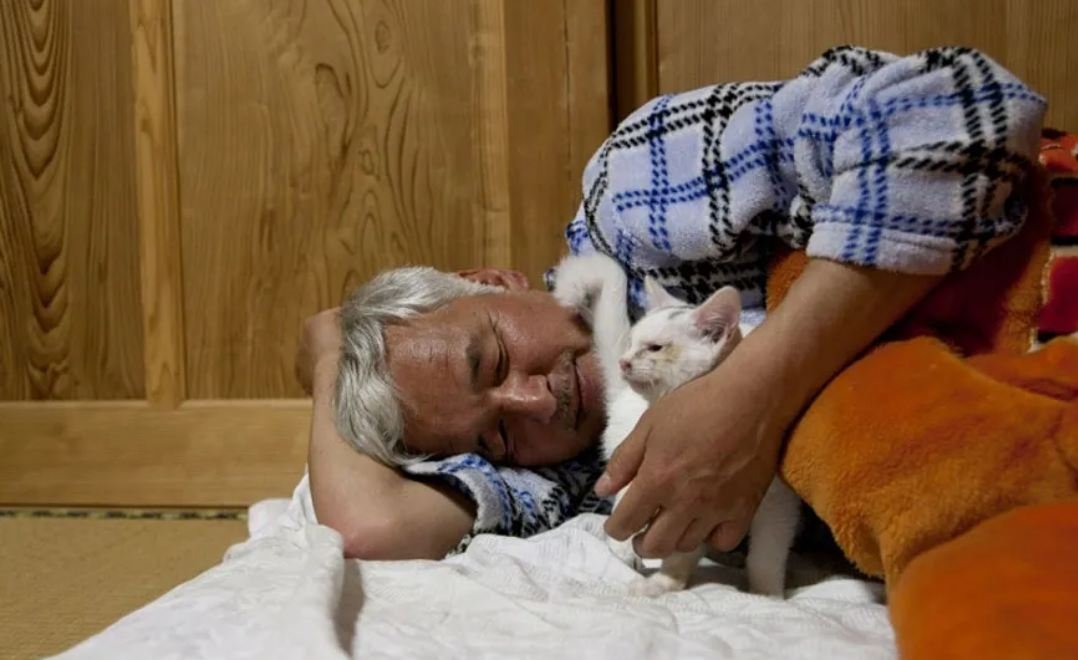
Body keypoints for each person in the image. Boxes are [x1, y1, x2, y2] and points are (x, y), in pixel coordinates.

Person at [295, 46, 1045, 560]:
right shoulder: (578, 475)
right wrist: (330, 349)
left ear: (496, 283)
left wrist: (755, 395)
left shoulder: (636, 199)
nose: (532, 404)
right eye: (496, 437)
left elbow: (967, 105)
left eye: (491, 357)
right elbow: (369, 530)